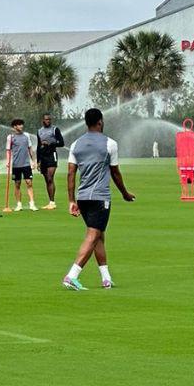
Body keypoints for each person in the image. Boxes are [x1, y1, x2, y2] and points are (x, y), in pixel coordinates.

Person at [63, 108, 135, 291]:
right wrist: (125, 193)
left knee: (99, 236)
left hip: (82, 198)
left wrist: (71, 200)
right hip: (100, 197)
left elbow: (71, 173)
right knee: (93, 235)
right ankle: (72, 275)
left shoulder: (75, 144)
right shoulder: (110, 144)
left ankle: (106, 278)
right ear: (100, 122)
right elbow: (115, 172)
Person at [7, 119, 38, 212]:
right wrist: (8, 161)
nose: (21, 126)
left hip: (26, 164)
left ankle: (32, 204)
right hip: (16, 165)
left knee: (29, 183)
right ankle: (19, 204)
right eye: (19, 125)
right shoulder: (10, 137)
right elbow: (8, 150)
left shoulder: (26, 136)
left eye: (22, 124)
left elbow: (30, 149)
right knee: (17, 184)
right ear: (14, 127)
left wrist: (34, 161)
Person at [36, 113, 64, 210]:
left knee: (50, 178)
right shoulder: (39, 131)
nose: (48, 121)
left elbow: (61, 143)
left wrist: (51, 143)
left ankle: (52, 202)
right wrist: (38, 160)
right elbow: (38, 147)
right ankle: (50, 202)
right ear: (43, 120)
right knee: (46, 180)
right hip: (43, 157)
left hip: (52, 155)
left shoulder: (55, 129)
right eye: (46, 119)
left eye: (49, 119)